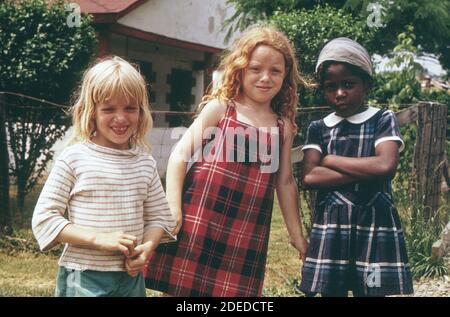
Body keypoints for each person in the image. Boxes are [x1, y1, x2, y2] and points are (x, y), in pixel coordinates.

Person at [145, 26, 309, 297]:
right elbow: (180, 154)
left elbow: (286, 181)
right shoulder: (222, 108)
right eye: (256, 68)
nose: (265, 78)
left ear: (286, 76)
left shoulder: (283, 127)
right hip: (200, 216)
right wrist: (174, 209)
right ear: (241, 68)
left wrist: (296, 235)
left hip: (247, 226)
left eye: (275, 71)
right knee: (181, 291)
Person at [32, 56, 176, 297]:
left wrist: (147, 248)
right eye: (109, 109)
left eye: (130, 108)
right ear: (91, 112)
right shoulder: (75, 158)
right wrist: (99, 239)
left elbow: (160, 218)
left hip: (131, 279)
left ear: (141, 112)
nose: (121, 118)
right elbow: (45, 219)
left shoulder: (145, 163)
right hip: (84, 277)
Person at [299, 38, 414, 297]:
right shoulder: (318, 127)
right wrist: (365, 168)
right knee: (332, 291)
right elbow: (309, 176)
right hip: (332, 228)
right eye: (331, 87)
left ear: (367, 85)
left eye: (348, 84)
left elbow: (385, 165)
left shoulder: (382, 119)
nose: (339, 93)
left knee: (372, 290)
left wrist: (329, 160)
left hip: (373, 223)